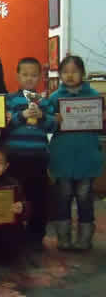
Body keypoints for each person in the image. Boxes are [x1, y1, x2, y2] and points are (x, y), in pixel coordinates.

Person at [49, 56, 104, 251]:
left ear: (83, 73)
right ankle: (63, 238)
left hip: (87, 157)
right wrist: (53, 120)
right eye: (65, 72)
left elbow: (101, 125)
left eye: (74, 71)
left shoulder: (94, 96)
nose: (70, 75)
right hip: (62, 157)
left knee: (84, 198)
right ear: (60, 74)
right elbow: (46, 125)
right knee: (63, 198)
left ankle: (84, 239)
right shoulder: (54, 98)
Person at [5, 57, 57, 251]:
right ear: (17, 76)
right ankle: (14, 234)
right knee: (14, 197)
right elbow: (3, 126)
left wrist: (42, 116)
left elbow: (53, 126)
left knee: (38, 198)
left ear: (40, 77)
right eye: (25, 74)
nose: (29, 78)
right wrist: (21, 115)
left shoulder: (45, 101)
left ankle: (36, 237)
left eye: (34, 75)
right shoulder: (10, 100)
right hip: (14, 157)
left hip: (38, 157)